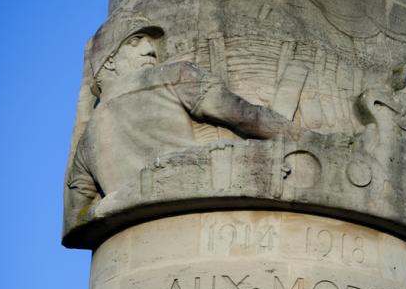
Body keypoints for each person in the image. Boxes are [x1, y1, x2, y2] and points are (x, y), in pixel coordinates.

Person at [65, 12, 297, 215]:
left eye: (149, 43)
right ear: (109, 61)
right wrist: (304, 137)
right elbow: (245, 116)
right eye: (134, 42)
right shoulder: (169, 76)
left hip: (135, 239)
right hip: (207, 210)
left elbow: (78, 212)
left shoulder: (86, 141)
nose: (150, 50)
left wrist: (114, 201)